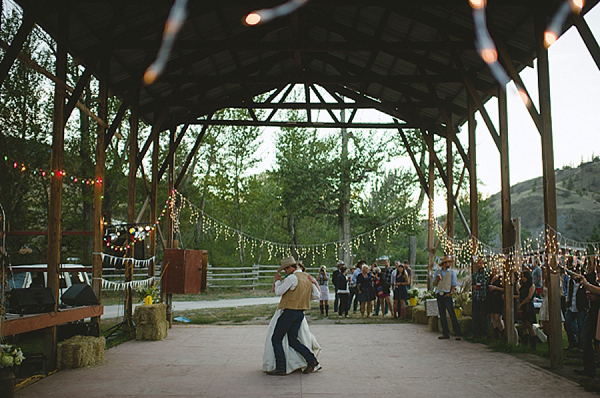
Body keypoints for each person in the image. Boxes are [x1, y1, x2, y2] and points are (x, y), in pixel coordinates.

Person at [263, 256, 322, 375]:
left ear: (291, 267)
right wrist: (303, 298)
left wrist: (277, 281)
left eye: (286, 269)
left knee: (276, 338)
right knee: (293, 340)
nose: (285, 272)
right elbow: (317, 295)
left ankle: (281, 367)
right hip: (300, 312)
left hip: (289, 311)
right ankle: (312, 360)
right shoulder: (307, 277)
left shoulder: (292, 278)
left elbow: (278, 292)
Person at [572, 260, 600, 378]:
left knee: (589, 338)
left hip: (596, 313)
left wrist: (588, 285)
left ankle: (591, 368)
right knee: (586, 338)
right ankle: (589, 367)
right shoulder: (594, 277)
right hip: (592, 311)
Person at [433, 256, 461, 340]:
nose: (449, 264)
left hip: (447, 293)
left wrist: (450, 293)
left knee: (452, 314)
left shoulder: (452, 272)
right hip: (440, 293)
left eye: (450, 262)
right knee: (442, 314)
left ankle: (457, 333)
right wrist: (437, 279)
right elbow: (434, 283)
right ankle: (445, 332)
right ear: (444, 264)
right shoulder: (437, 272)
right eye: (448, 262)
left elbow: (453, 284)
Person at [518, 270, 536, 349]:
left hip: (528, 306)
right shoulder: (523, 286)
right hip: (522, 306)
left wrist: (521, 304)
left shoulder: (531, 286)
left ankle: (533, 343)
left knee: (529, 325)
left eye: (524, 277)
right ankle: (525, 342)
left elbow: (529, 297)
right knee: (524, 324)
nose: (523, 279)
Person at [471, 257, 489, 338]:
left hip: (484, 296)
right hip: (476, 296)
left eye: (481, 263)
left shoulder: (487, 273)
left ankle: (484, 334)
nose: (479, 265)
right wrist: (474, 287)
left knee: (484, 316)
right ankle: (475, 333)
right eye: (478, 263)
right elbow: (473, 284)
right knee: (475, 315)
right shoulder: (475, 274)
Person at [487, 267, 505, 339]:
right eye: (493, 269)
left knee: (498, 318)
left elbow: (504, 289)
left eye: (495, 269)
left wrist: (495, 288)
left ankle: (503, 334)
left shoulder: (500, 278)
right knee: (493, 318)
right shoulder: (489, 278)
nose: (494, 271)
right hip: (491, 300)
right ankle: (496, 336)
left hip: (498, 300)